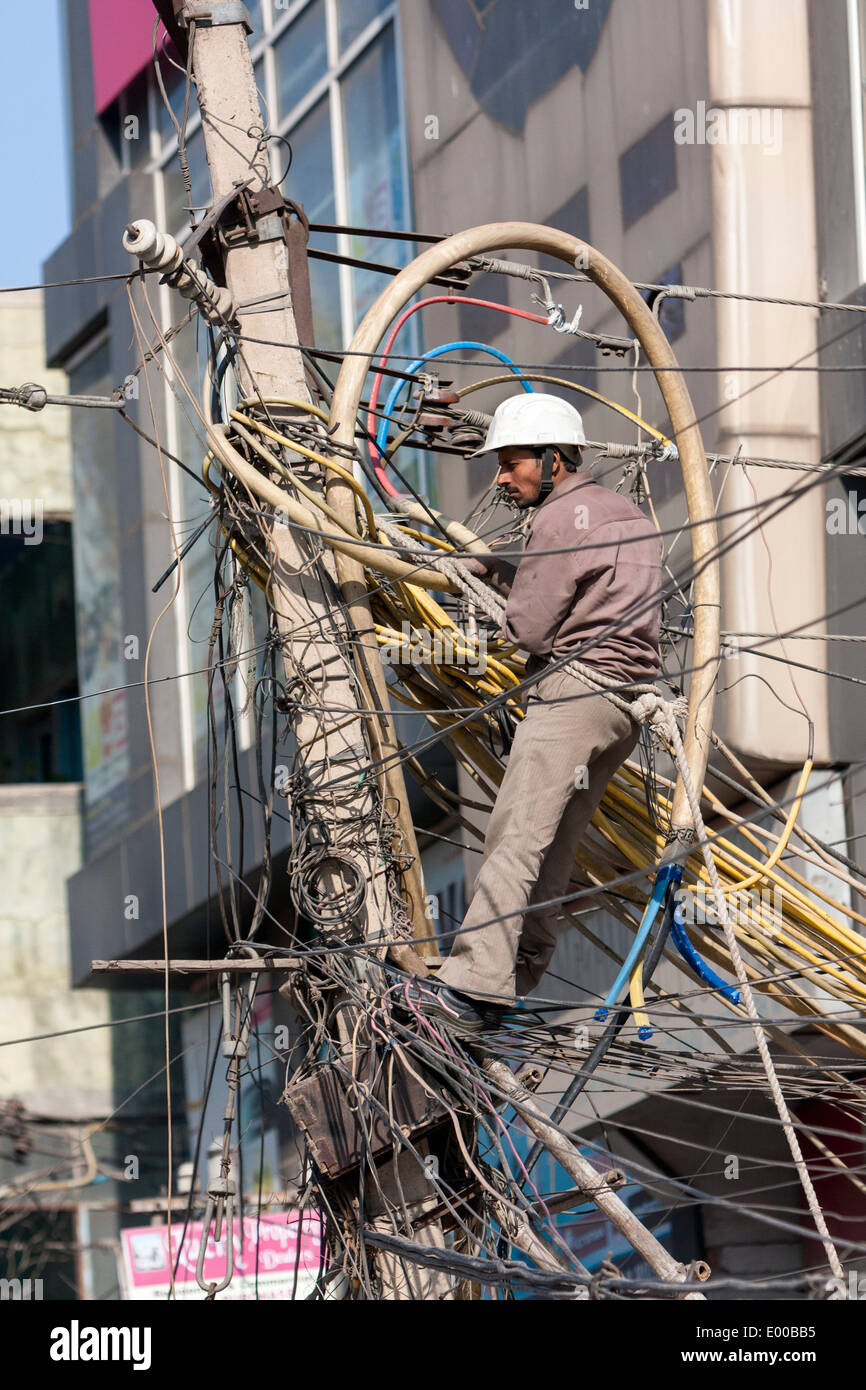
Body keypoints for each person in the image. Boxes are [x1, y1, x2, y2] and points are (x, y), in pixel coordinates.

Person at [411, 393, 664, 1032]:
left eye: (510, 462)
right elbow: (579, 592)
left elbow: (527, 627)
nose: (500, 477)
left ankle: (473, 983)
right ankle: (516, 977)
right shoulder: (620, 511)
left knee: (517, 835)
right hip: (623, 708)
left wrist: (470, 596)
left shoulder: (557, 519)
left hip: (573, 696)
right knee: (555, 845)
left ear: (553, 458)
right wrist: (496, 569)